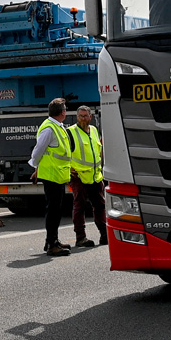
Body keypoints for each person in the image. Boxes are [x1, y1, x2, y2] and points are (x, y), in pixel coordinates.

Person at [27, 97, 74, 257]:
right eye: (65, 109)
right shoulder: (49, 128)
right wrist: (35, 167)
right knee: (53, 211)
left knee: (56, 210)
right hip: (52, 175)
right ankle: (52, 243)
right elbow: (38, 151)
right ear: (62, 112)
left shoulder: (57, 126)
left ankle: (52, 241)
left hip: (57, 175)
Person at [67, 106, 106, 247]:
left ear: (90, 117)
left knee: (100, 206)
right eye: (80, 116)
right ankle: (80, 237)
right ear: (77, 117)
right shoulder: (70, 132)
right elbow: (64, 153)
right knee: (80, 207)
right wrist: (69, 169)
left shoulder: (94, 130)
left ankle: (104, 234)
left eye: (85, 116)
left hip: (95, 177)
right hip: (79, 177)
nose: (83, 118)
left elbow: (99, 150)